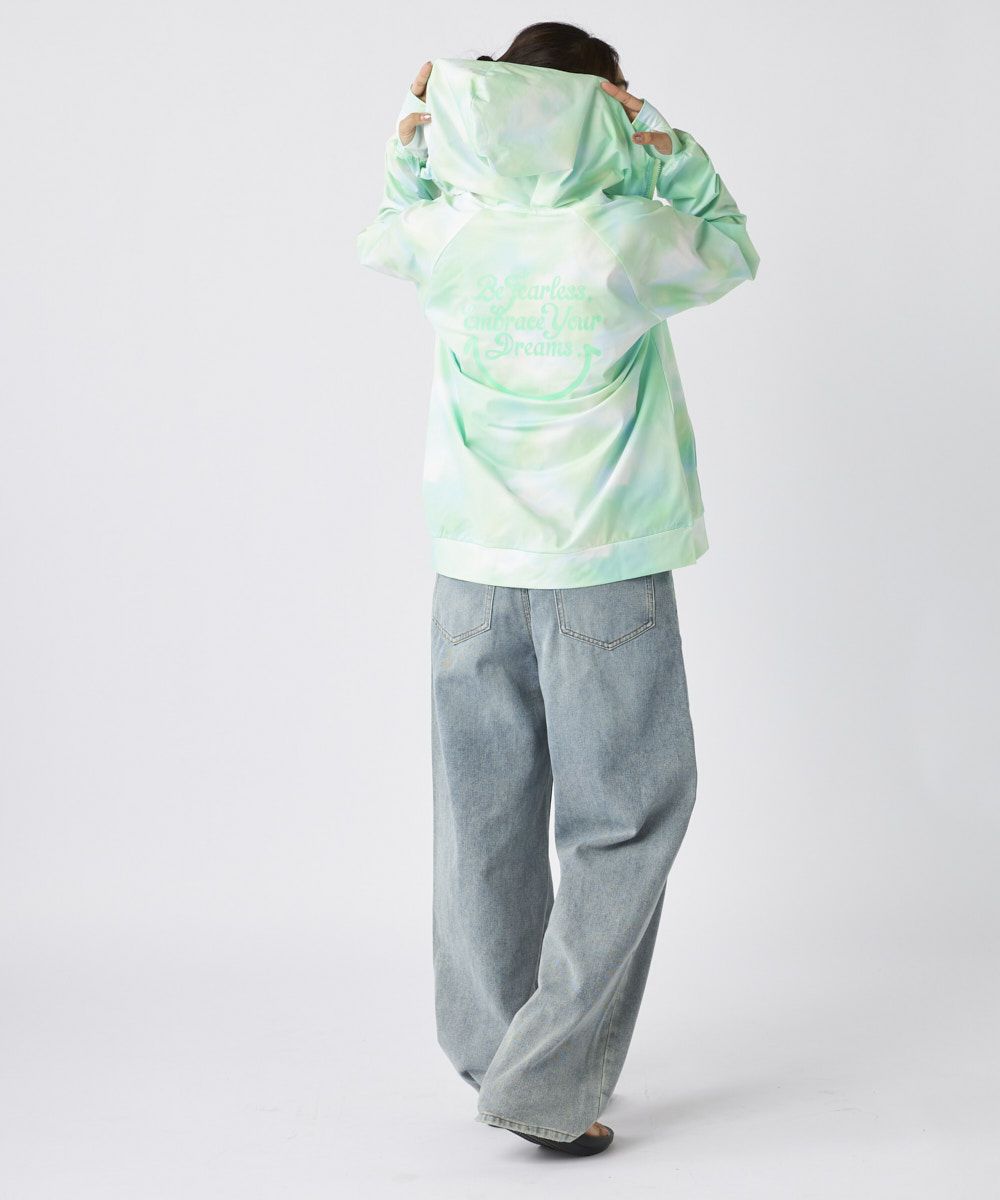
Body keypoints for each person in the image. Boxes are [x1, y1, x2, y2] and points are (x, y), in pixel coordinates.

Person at [356, 22, 759, 1157]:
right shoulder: (618, 236)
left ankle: (504, 1056)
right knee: (624, 818)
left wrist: (420, 136)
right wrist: (655, 133)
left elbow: (387, 225)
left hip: (471, 575)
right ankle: (544, 1080)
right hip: (603, 571)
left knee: (480, 816)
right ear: (597, 108)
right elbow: (731, 246)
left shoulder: (451, 233)